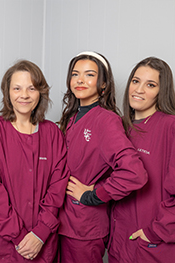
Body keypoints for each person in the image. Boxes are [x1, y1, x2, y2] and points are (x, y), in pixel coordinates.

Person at [0, 60, 68, 262]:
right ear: (7, 93)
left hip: (41, 243)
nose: (24, 95)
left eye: (31, 88)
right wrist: (19, 236)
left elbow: (58, 187)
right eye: (17, 88)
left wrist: (40, 232)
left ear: (40, 92)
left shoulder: (52, 133)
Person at [57, 51, 148, 263]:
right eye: (75, 74)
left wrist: (94, 194)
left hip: (84, 226)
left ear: (104, 84)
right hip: (62, 220)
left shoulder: (107, 120)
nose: (80, 80)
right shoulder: (70, 118)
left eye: (89, 74)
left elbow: (134, 173)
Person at [108, 57, 175, 263]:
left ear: (162, 91)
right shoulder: (121, 127)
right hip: (120, 243)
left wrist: (154, 232)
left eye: (150, 85)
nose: (138, 89)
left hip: (153, 245)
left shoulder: (173, 127)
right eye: (135, 81)